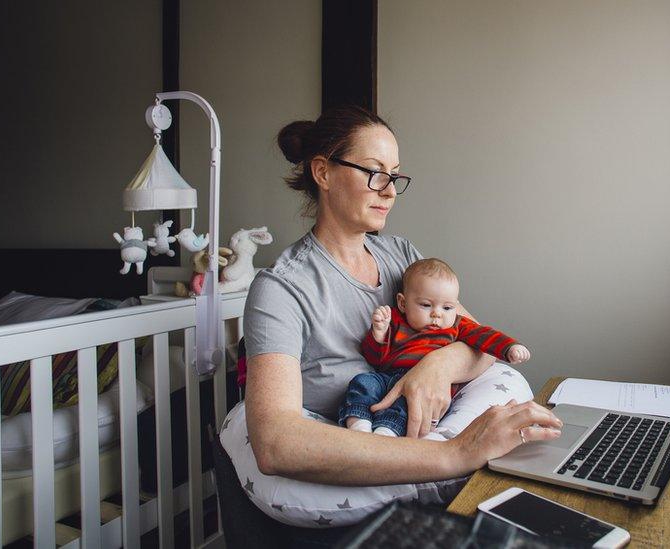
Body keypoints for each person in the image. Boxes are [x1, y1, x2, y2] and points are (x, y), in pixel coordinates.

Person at [224, 105, 561, 526]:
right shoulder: (281, 288)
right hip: (355, 431)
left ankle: (447, 467)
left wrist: (436, 366)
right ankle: (453, 469)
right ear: (323, 173)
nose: (389, 191)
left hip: (421, 425)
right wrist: (454, 453)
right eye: (374, 172)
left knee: (511, 381)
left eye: (395, 175)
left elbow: (478, 342)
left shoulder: (401, 256)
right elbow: (276, 443)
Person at [341, 258, 532, 436]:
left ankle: (386, 431)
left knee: (406, 405)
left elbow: (485, 336)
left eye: (447, 308)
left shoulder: (457, 325)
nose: (436, 315)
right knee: (363, 381)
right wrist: (379, 335)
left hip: (427, 387)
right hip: (389, 377)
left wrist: (509, 347)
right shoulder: (395, 321)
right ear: (402, 303)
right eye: (425, 305)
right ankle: (359, 424)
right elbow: (375, 359)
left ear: (455, 307)